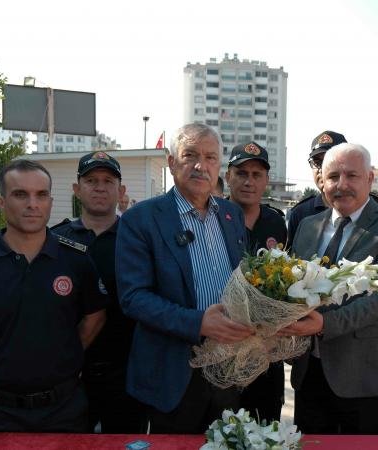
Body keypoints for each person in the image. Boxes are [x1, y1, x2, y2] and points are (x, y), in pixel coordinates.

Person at [0, 159, 108, 432]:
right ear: (1, 202)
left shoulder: (76, 260)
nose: (33, 203)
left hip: (64, 410)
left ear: (51, 202)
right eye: (21, 194)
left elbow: (95, 316)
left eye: (41, 195)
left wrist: (67, 354)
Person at [116, 123, 252, 434]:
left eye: (210, 157)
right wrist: (198, 322)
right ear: (172, 161)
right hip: (172, 372)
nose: (200, 166)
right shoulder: (142, 219)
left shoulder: (232, 215)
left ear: (219, 166)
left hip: (227, 365)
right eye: (189, 155)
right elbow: (133, 297)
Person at [281, 143, 378, 434]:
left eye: (351, 176)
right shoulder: (306, 226)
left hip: (362, 376)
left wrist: (323, 324)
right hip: (308, 373)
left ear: (369, 179)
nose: (341, 185)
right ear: (322, 182)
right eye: (333, 177)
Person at [51, 152, 146, 433]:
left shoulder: (139, 240)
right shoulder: (56, 240)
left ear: (121, 190)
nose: (100, 187)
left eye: (108, 180)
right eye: (91, 180)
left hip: (128, 371)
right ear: (76, 189)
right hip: (71, 374)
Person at [224, 141, 287, 423]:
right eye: (241, 173)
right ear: (228, 177)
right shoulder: (211, 218)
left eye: (256, 175)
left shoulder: (276, 222)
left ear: (266, 181)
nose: (249, 181)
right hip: (223, 344)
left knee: (267, 424)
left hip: (266, 350)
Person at [285, 130, 348, 251]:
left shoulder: (368, 208)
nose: (322, 169)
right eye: (317, 162)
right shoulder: (300, 214)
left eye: (329, 162)